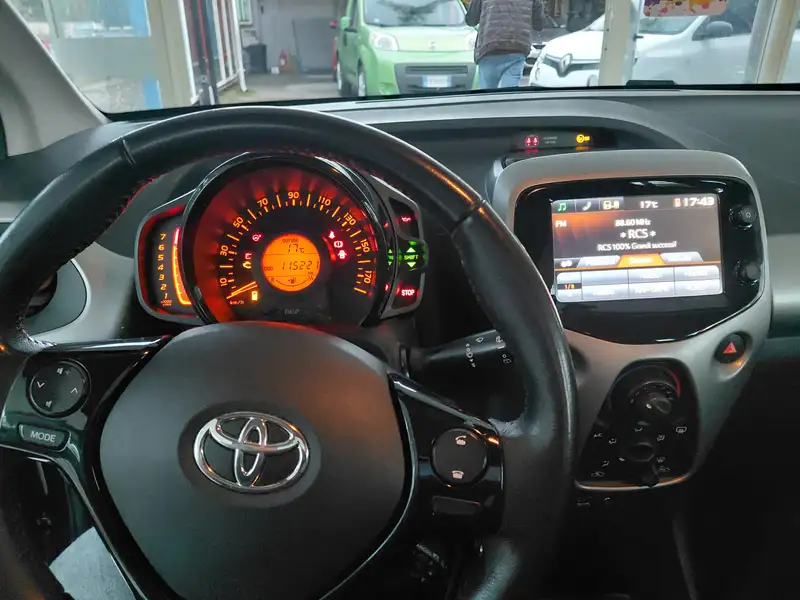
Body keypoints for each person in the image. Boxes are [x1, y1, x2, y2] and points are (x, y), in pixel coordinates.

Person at [466, 0, 546, 89]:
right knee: (510, 92)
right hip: (517, 47)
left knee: (487, 92)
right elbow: (539, 24)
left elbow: (471, 20)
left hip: (489, 46)